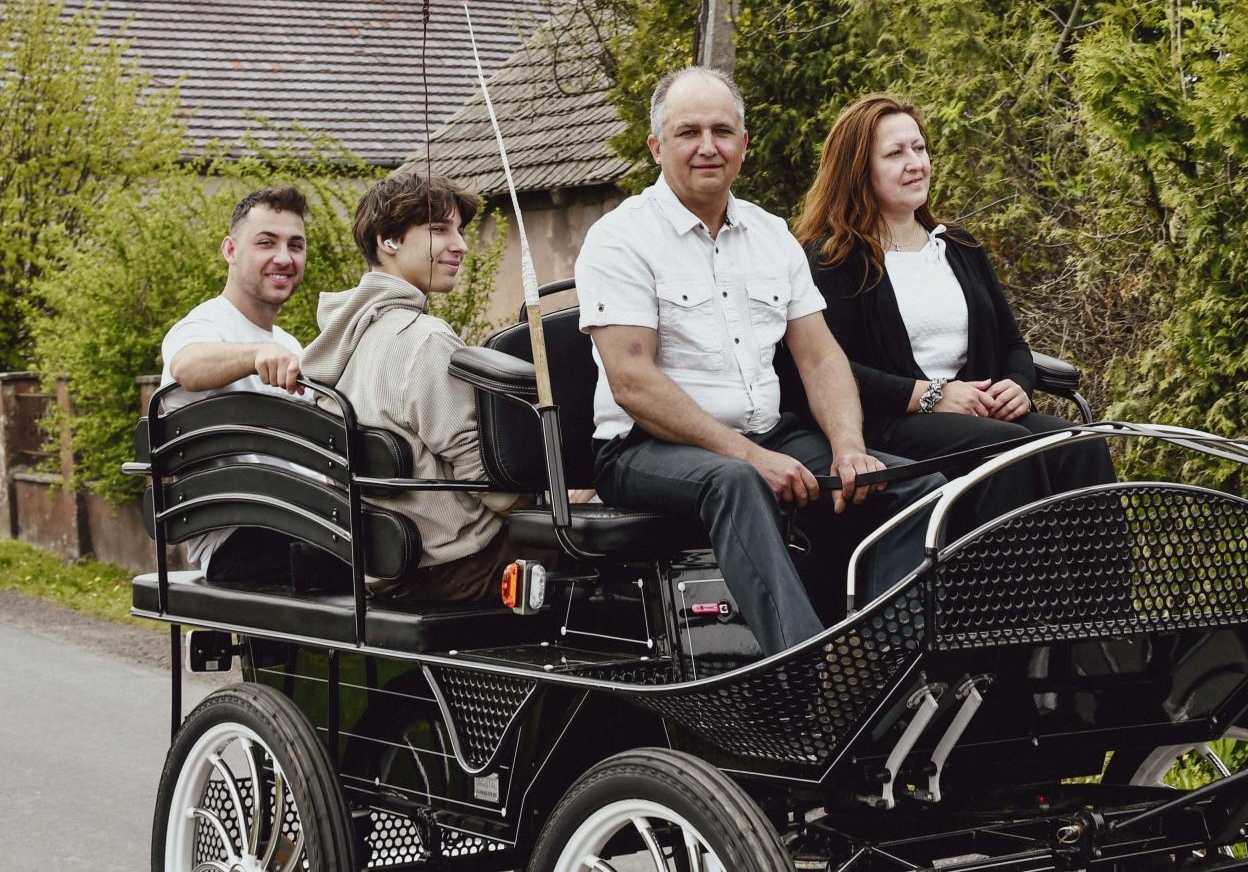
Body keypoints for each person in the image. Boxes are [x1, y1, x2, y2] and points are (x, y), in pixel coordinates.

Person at [574, 67, 945, 656]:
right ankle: (805, 672)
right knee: (738, 481)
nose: (707, 146)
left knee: (913, 487)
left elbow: (821, 357)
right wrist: (752, 456)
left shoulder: (772, 237)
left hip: (768, 435)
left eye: (722, 131)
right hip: (644, 448)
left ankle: (885, 665)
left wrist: (849, 446)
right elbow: (632, 383)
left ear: (744, 145)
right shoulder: (620, 239)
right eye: (687, 132)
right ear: (656, 147)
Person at [793, 93, 1116, 529]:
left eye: (919, 148)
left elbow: (1012, 343)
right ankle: (1008, 594)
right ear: (858, 171)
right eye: (894, 154)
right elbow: (829, 368)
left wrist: (1016, 385)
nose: (915, 163)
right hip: (888, 421)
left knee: (1081, 447)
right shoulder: (834, 258)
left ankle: (1099, 598)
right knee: (1006, 450)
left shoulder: (959, 247)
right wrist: (930, 395)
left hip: (977, 413)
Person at [300, 173, 549, 606]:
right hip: (461, 567)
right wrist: (547, 504)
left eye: (460, 230)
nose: (461, 245)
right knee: (613, 555)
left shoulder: (343, 338)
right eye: (439, 230)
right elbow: (483, 473)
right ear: (388, 240)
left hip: (387, 566)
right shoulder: (424, 340)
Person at [160, 185, 312, 582]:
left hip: (308, 528)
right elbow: (187, 366)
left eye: (295, 245)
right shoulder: (202, 326)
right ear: (230, 250)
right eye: (267, 243)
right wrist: (253, 357)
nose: (284, 257)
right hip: (243, 542)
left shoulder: (288, 343)